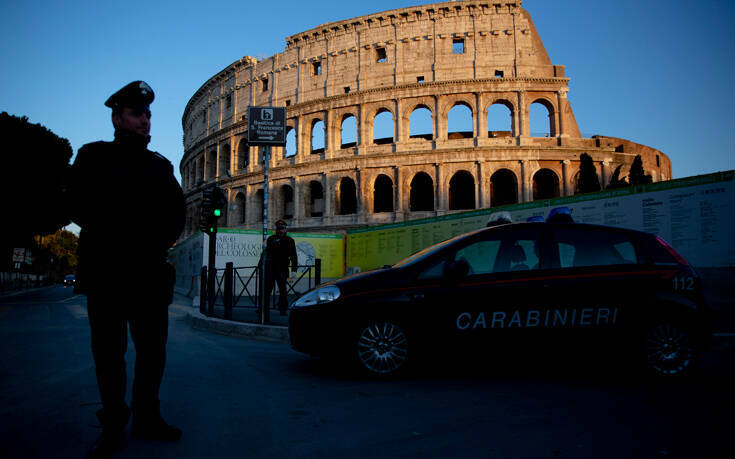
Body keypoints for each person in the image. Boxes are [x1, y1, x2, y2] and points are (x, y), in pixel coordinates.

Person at [68, 81, 186, 458]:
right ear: (117, 117)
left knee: (153, 354)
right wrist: (119, 234)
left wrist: (154, 244)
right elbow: (77, 206)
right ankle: (114, 425)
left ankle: (148, 417)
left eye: (148, 114)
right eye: (137, 113)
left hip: (148, 275)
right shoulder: (93, 156)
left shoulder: (160, 165)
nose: (145, 120)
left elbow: (176, 214)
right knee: (109, 355)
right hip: (106, 273)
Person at [261, 219, 298, 316]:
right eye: (279, 228)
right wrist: (260, 266)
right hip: (270, 269)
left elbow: (293, 256)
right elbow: (265, 254)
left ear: (286, 229)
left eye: (282, 229)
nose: (280, 230)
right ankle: (263, 309)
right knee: (267, 290)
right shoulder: (271, 239)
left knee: (283, 291)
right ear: (276, 229)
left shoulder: (289, 240)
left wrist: (294, 270)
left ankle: (282, 309)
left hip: (282, 268)